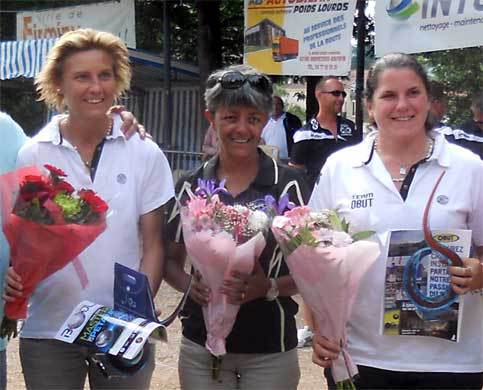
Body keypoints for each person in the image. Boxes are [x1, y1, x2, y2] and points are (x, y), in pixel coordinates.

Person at [3, 28, 174, 389]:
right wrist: (17, 278)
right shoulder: (34, 153)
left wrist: (138, 312)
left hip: (122, 326)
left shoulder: (144, 152)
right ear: (59, 84)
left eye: (104, 75)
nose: (95, 87)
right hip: (49, 327)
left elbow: (153, 243)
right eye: (82, 76)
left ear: (117, 81)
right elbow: (27, 242)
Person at [310, 53, 483, 389]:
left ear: (429, 100)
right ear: (370, 106)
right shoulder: (340, 168)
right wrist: (320, 331)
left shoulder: (469, 168)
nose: (402, 105)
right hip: (360, 358)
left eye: (413, 93)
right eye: (389, 95)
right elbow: (315, 262)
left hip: (451, 364)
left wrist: (479, 273)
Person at [163, 64, 310, 390]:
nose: (241, 128)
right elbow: (169, 259)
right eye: (230, 117)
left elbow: (312, 269)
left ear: (266, 120)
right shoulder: (191, 185)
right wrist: (190, 285)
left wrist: (268, 287)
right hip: (202, 346)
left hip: (270, 345)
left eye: (253, 118)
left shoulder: (289, 185)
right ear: (211, 118)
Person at [289, 76, 361, 190]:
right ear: (319, 95)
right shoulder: (304, 134)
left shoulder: (350, 128)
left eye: (343, 94)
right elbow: (294, 173)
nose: (341, 98)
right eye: (336, 93)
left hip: (349, 195)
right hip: (318, 199)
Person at [261, 95, 302, 162]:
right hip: (269, 161)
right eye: (272, 105)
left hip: (288, 160)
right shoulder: (264, 121)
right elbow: (260, 140)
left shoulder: (292, 120)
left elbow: (299, 140)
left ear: (282, 106)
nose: (275, 107)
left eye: (278, 104)